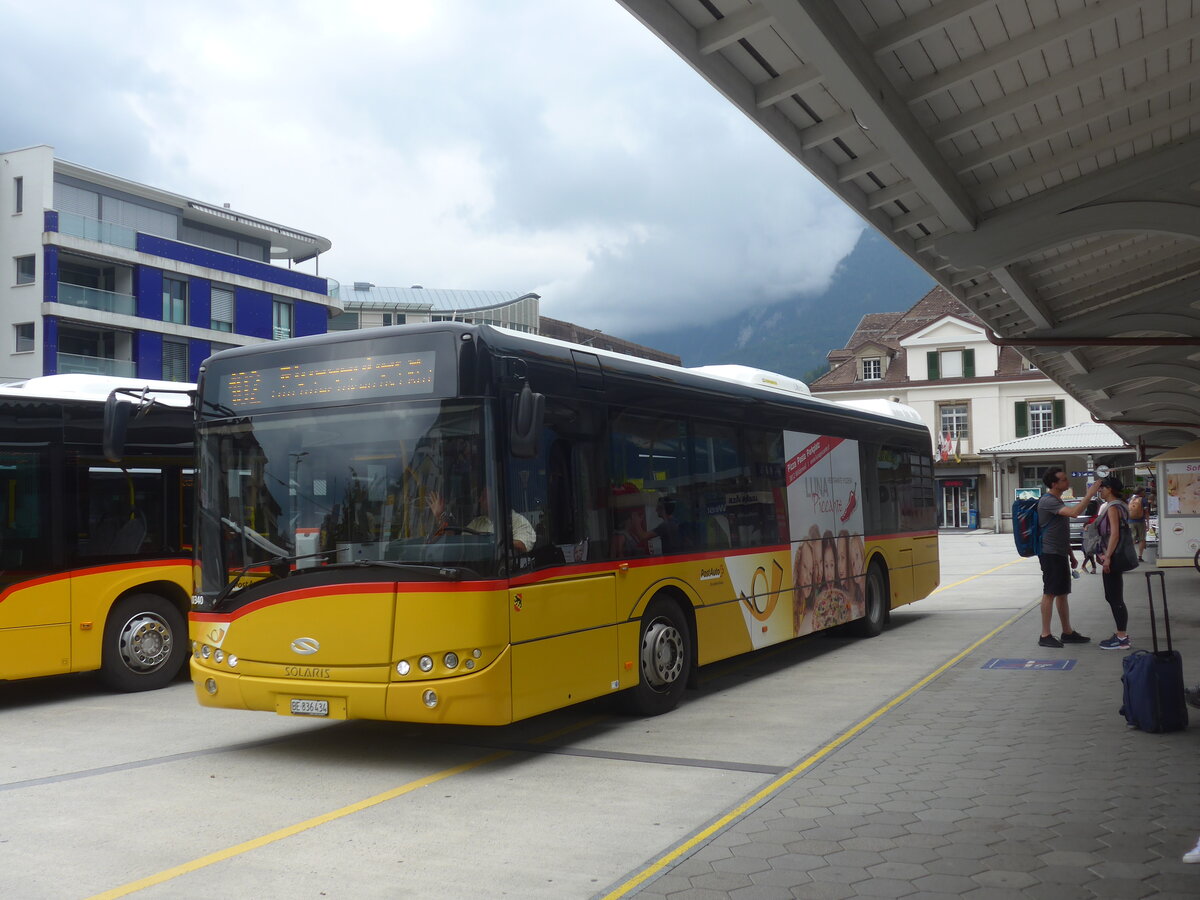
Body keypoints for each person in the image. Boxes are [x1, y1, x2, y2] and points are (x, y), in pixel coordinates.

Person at [1035, 468, 1101, 648]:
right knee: (1050, 592)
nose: (1067, 482)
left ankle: (1067, 632)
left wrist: (1070, 554)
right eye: (1063, 480)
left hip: (1059, 553)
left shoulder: (1056, 500)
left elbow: (1060, 532)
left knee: (1062, 593)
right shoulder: (1048, 500)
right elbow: (1074, 513)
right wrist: (1089, 494)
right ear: (1054, 484)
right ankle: (1045, 634)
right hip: (1049, 554)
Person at [427, 487, 535, 553]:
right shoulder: (478, 522)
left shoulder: (518, 521)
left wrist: (493, 542)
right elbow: (459, 541)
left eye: (484, 496)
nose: (479, 500)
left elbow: (523, 545)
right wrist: (440, 516)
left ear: (497, 497)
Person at [1095, 476, 1132, 651]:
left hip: (1113, 556)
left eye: (1102, 488)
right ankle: (1120, 634)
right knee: (1113, 596)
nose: (1100, 490)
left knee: (1114, 597)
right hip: (1117, 554)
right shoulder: (1122, 505)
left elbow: (1115, 534)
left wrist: (1107, 556)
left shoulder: (1112, 507)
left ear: (1109, 489)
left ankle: (1122, 638)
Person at [1127, 486, 1147, 561]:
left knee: (1132, 539)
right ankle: (1140, 556)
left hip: (1130, 521)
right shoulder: (1143, 500)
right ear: (1141, 492)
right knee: (1142, 539)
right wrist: (1147, 521)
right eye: (1143, 491)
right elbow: (1146, 512)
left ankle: (1132, 556)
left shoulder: (1129, 500)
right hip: (1141, 521)